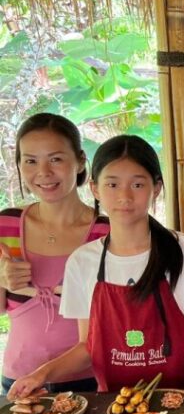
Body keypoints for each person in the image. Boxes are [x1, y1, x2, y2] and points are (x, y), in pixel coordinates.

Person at [8, 135, 184, 399]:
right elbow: (87, 347)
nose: (124, 196)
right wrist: (40, 374)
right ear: (95, 189)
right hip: (115, 407)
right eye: (112, 184)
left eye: (137, 184)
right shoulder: (82, 262)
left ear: (155, 188)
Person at [0, 113, 109, 395]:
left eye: (56, 159)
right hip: (18, 382)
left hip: (92, 381)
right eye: (31, 161)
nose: (44, 172)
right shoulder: (6, 225)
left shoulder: (108, 232)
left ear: (81, 161)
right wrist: (2, 280)